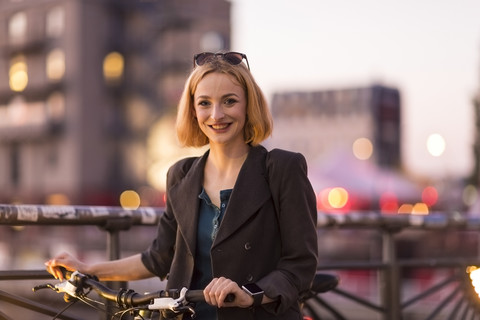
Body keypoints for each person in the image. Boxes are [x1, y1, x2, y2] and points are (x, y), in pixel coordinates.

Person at [45, 51, 318, 320]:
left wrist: (251, 293)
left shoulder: (282, 168)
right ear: (192, 109)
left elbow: (300, 265)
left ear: (249, 105)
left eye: (230, 101)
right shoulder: (181, 175)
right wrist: (88, 269)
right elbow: (159, 258)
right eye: (204, 103)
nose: (216, 114)